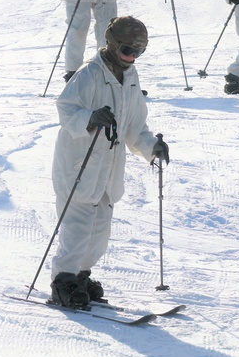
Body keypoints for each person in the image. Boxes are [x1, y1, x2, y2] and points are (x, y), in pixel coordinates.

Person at [49, 16, 168, 308]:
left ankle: (81, 275)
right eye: (128, 50)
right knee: (77, 228)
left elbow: (134, 128)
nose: (132, 57)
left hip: (109, 168)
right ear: (113, 45)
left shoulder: (130, 78)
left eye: (139, 52)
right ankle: (63, 281)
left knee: (100, 230)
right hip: (79, 164)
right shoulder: (89, 74)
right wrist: (89, 119)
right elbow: (66, 110)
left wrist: (153, 146)